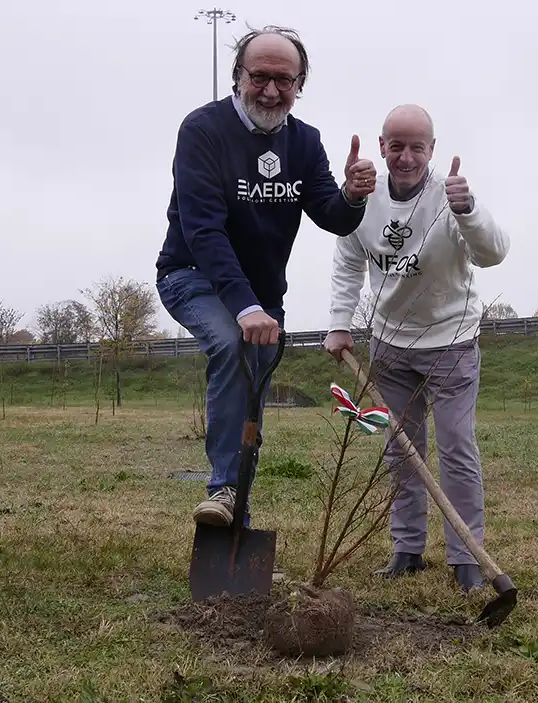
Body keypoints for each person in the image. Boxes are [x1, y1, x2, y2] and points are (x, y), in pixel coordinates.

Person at [156, 26, 377, 527]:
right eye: (260, 77)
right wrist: (245, 307)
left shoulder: (305, 142)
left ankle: (235, 526)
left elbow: (332, 216)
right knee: (235, 346)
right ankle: (224, 487)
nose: (272, 91)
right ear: (238, 77)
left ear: (300, 84)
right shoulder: (203, 131)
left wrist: (353, 195)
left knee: (252, 392)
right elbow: (203, 229)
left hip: (262, 295)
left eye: (286, 80)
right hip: (193, 277)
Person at [323, 104, 509, 591]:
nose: (406, 157)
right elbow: (347, 261)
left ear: (432, 149)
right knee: (402, 449)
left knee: (456, 449)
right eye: (397, 146)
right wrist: (340, 324)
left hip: (451, 342)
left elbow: (493, 253)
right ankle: (406, 549)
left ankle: (467, 558)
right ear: (382, 147)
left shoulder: (450, 199)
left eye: (417, 147)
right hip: (390, 344)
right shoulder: (365, 199)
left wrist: (468, 210)